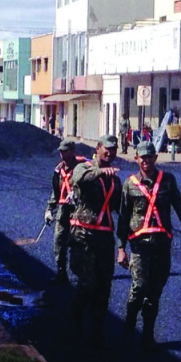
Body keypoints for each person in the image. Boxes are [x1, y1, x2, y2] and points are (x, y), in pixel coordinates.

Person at [117, 141, 181, 351]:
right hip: (139, 246)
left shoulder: (168, 181)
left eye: (150, 157)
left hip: (162, 245)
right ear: (137, 159)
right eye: (142, 157)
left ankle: (147, 335)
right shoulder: (129, 185)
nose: (146, 161)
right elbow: (123, 218)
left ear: (155, 158)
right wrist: (120, 248)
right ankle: (128, 329)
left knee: (154, 291)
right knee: (139, 288)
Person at [69, 134, 122, 348]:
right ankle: (75, 319)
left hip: (104, 238)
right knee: (87, 284)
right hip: (84, 236)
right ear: (98, 148)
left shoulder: (115, 180)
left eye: (113, 149)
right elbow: (78, 179)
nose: (110, 153)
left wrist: (123, 244)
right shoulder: (84, 167)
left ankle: (97, 332)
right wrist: (101, 171)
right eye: (106, 149)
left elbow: (119, 208)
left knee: (103, 287)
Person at [45, 137, 82, 284]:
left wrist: (77, 193)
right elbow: (55, 191)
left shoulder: (81, 168)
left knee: (76, 242)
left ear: (72, 151)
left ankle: (81, 273)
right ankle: (61, 272)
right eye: (61, 152)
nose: (63, 155)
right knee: (59, 241)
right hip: (62, 210)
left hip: (77, 210)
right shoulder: (58, 170)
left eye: (65, 152)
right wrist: (49, 209)